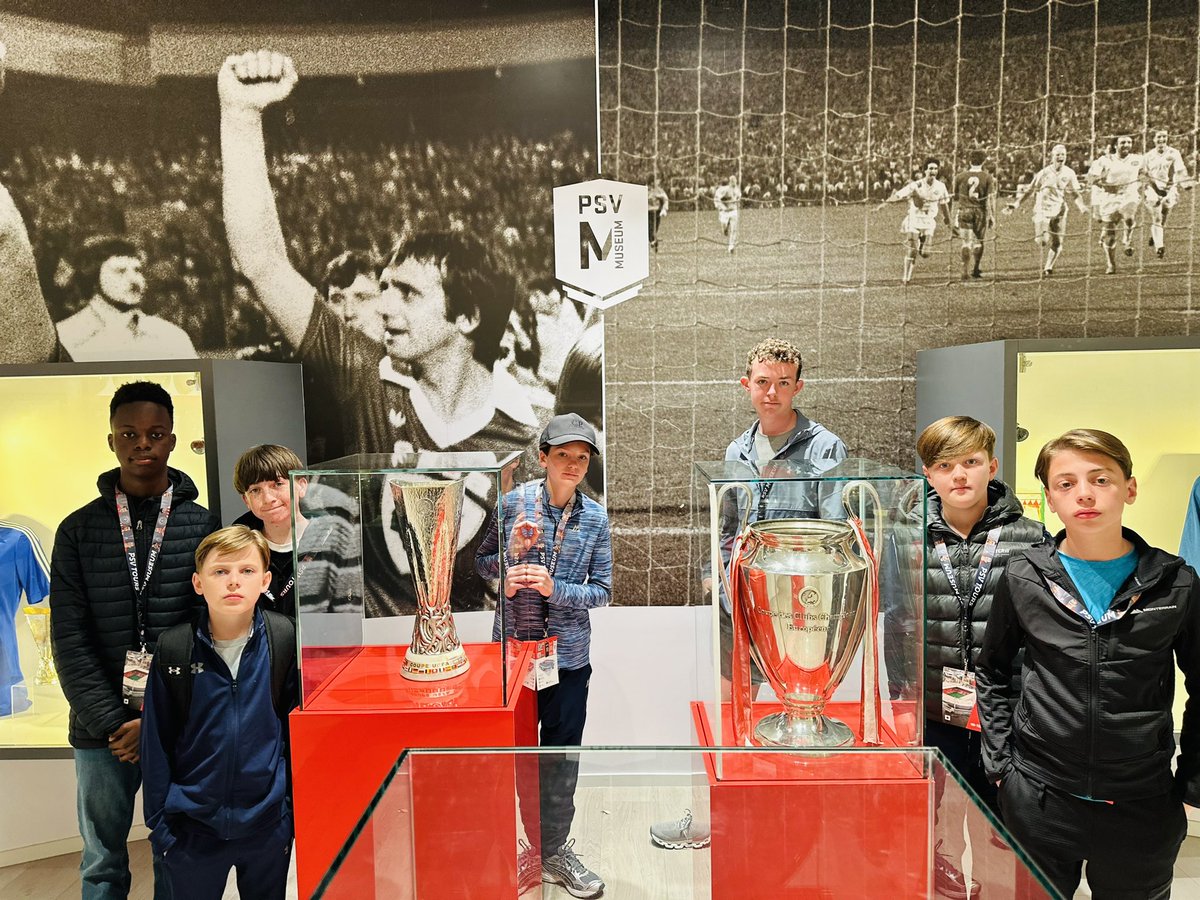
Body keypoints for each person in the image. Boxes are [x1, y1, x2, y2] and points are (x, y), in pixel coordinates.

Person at [218, 51, 538, 459]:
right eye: (385, 288)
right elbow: (260, 260)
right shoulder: (367, 376)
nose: (383, 306)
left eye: (408, 293)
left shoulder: (530, 431)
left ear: (468, 317)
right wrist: (241, 115)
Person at [977, 429, 1200, 899]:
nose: (1084, 494)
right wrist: (1001, 763)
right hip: (1039, 799)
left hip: (1141, 803)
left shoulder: (1175, 583)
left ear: (1130, 489)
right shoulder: (1024, 575)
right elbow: (993, 669)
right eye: (1066, 483)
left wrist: (1193, 775)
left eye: (1100, 479)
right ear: (1050, 499)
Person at [651, 338, 847, 852]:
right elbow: (727, 522)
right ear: (747, 386)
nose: (773, 393)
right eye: (763, 382)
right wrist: (716, 573)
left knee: (793, 717)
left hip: (793, 610)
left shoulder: (825, 448)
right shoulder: (736, 450)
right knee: (730, 713)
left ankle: (786, 827)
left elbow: (834, 532)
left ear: (798, 386)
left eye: (784, 383)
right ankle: (719, 817)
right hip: (735, 599)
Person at [50, 380, 215, 899]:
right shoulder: (77, 531)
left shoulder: (201, 528)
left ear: (170, 439)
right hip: (102, 731)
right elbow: (68, 638)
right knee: (101, 858)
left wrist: (157, 719)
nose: (142, 443)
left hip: (176, 725)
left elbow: (208, 634)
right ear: (112, 442)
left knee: (176, 847)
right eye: (129, 433)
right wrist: (117, 722)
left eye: (154, 433)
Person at [476, 413, 612, 898]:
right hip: (512, 657)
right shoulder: (512, 503)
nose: (573, 465)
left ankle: (553, 850)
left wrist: (558, 590)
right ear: (543, 458)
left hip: (568, 659)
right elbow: (481, 562)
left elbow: (602, 591)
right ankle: (524, 849)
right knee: (515, 757)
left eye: (581, 457)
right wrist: (506, 571)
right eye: (563, 455)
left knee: (559, 758)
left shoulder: (595, 518)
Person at [917, 416, 1046, 899]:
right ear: (928, 474)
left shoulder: (1032, 537)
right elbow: (896, 621)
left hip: (1005, 710)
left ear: (992, 465)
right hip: (933, 709)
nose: (960, 476)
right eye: (945, 465)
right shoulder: (909, 536)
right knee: (939, 823)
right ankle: (947, 886)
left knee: (1001, 826)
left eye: (971, 462)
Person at [140, 526, 296, 900]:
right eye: (220, 571)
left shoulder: (283, 639)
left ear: (266, 580)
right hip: (192, 830)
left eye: (246, 571)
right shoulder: (174, 648)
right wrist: (162, 827)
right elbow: (155, 743)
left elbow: (294, 735)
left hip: (267, 825)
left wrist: (289, 813)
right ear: (198, 582)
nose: (233, 582)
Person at [232, 444, 361, 619]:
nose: (268, 498)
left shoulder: (336, 540)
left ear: (301, 486)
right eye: (255, 490)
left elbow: (348, 612)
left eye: (277, 484)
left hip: (319, 643)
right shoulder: (236, 548)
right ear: (246, 500)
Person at [55, 235, 197, 362]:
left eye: (137, 270)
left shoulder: (171, 336)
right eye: (120, 271)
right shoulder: (64, 338)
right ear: (93, 278)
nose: (134, 279)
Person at [1004, 143, 1090, 276]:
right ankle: (1042, 232)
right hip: (1042, 209)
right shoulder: (1043, 173)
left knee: (1058, 241)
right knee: (1042, 240)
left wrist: (1081, 206)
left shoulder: (1069, 173)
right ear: (1052, 156)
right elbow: (1030, 190)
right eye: (1058, 154)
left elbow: (1074, 193)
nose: (1061, 157)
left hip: (1059, 209)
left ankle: (1048, 266)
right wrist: (1016, 204)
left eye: (1063, 154)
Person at [876, 158, 951, 284]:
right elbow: (897, 195)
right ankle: (906, 277)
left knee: (926, 253)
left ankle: (922, 243)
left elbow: (944, 205)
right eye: (930, 168)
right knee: (912, 249)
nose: (933, 171)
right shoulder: (915, 185)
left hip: (928, 221)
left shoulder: (941, 186)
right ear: (924, 170)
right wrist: (882, 206)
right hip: (914, 219)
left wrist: (948, 221)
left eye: (935, 168)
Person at [1087, 134, 1143, 275]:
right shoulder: (1104, 161)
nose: (1126, 145)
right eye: (1123, 142)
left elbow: (1144, 173)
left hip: (1129, 195)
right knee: (1110, 236)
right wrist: (1104, 184)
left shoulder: (1138, 159)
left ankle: (1127, 239)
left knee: (1129, 216)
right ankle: (1111, 264)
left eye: (1129, 142)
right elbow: (1091, 178)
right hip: (1109, 198)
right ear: (1115, 145)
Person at [1142, 129, 1192, 259]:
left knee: (1164, 214)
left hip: (1170, 188)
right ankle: (1160, 247)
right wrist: (1154, 188)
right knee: (1157, 217)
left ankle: (1155, 235)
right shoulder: (1147, 156)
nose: (1161, 140)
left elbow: (1180, 170)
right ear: (1153, 140)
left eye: (1164, 137)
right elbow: (1145, 174)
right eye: (1159, 137)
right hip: (1153, 189)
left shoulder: (1174, 153)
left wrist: (1185, 183)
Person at [951, 150, 995, 282]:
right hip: (980, 211)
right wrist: (992, 216)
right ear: (983, 161)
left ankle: (964, 269)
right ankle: (975, 268)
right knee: (978, 242)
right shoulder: (987, 177)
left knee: (966, 242)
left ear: (969, 161)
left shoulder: (960, 176)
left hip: (965, 210)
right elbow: (989, 199)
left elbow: (954, 196)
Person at [713, 175, 741, 254]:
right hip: (724, 212)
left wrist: (737, 200)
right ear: (730, 181)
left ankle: (731, 247)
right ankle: (725, 227)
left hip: (733, 211)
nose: (734, 182)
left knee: (734, 229)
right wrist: (722, 207)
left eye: (735, 180)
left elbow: (739, 197)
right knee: (724, 227)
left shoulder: (737, 190)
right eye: (732, 180)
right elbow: (716, 198)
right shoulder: (724, 189)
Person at [647, 177, 669, 252]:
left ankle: (653, 242)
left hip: (656, 212)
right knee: (649, 230)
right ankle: (653, 242)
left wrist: (664, 209)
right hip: (647, 213)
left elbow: (665, 199)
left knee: (653, 230)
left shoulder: (658, 190)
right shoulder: (644, 190)